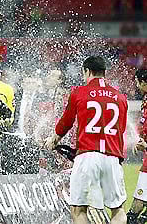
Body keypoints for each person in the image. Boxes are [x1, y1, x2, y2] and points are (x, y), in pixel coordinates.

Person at [43, 56, 128, 224]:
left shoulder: (79, 92)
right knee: (118, 211)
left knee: (79, 210)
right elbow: (121, 130)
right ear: (104, 73)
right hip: (112, 157)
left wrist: (54, 140)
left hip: (87, 156)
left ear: (87, 71)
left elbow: (65, 122)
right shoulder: (121, 97)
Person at [127, 69, 147, 224]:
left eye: (137, 82)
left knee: (136, 206)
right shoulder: (145, 100)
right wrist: (141, 141)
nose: (136, 86)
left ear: (144, 82)